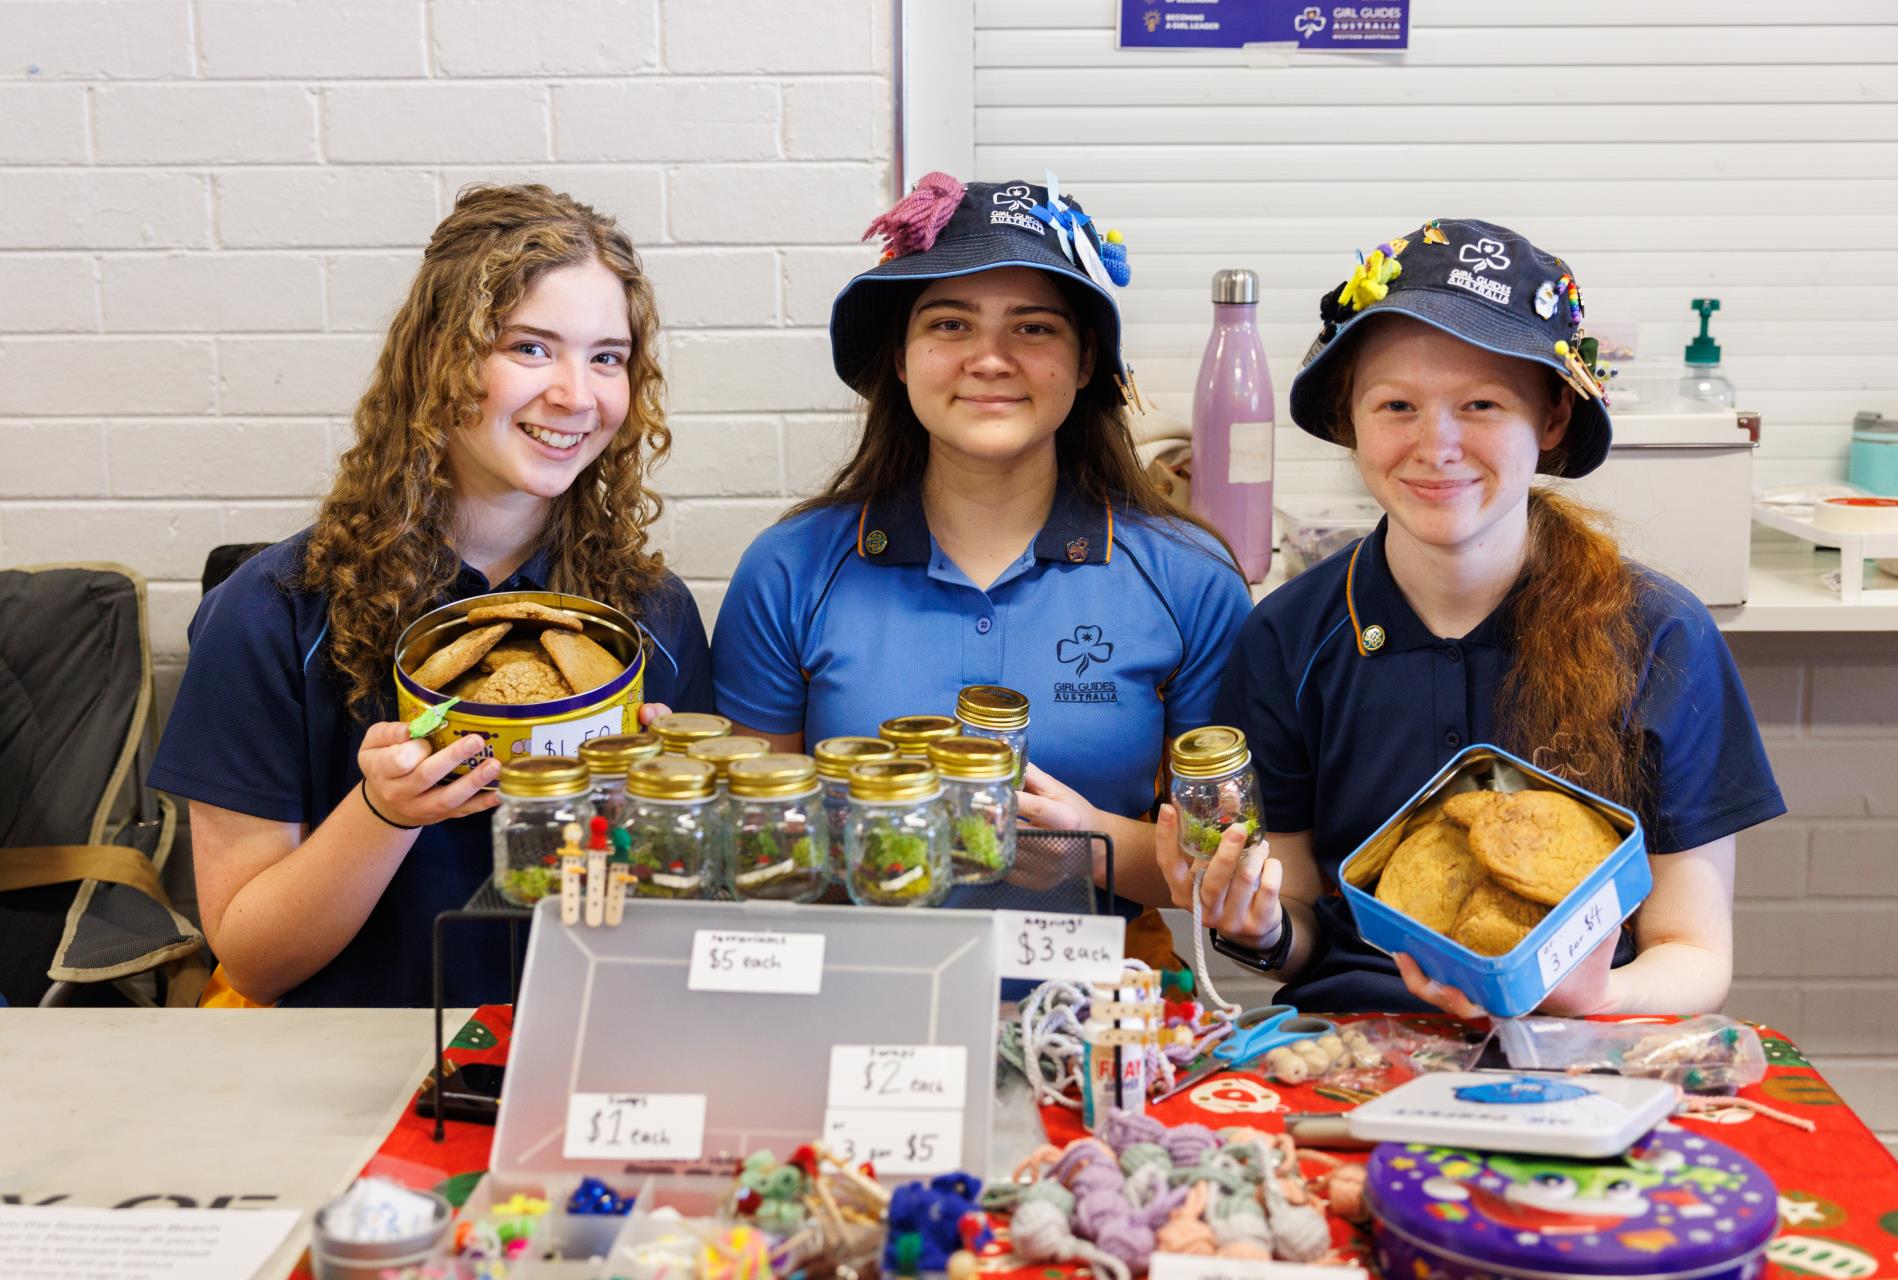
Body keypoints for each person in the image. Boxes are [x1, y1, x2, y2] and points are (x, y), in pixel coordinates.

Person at [1155, 219, 1784, 1015]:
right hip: (1353, 1041)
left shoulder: (1655, 633)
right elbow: (1305, 933)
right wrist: (1256, 926)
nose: (1436, 444)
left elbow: (1692, 953)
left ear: (1551, 420)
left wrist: (1582, 997)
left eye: (1480, 404)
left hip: (1583, 1054)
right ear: (1348, 422)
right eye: (1396, 406)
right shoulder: (1288, 637)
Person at [149, 185, 712, 1008]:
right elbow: (255, 958)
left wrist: (658, 819)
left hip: (576, 1054)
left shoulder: (649, 618)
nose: (576, 395)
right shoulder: (271, 613)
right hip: (347, 1079)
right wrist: (383, 812)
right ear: (438, 357)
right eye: (528, 347)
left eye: (606, 356)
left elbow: (657, 931)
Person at [710, 174, 1250, 936]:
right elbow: (751, 854)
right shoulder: (789, 568)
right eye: (950, 326)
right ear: (900, 357)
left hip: (1101, 992)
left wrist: (1091, 847)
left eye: (1032, 328)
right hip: (852, 977)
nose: (989, 360)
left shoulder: (1190, 578)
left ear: (1087, 360)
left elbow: (1232, 873)